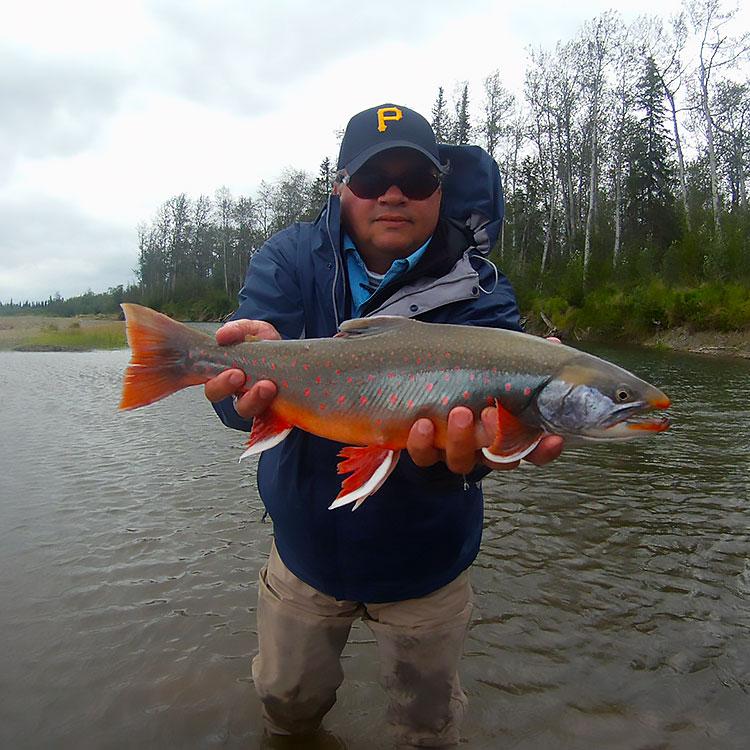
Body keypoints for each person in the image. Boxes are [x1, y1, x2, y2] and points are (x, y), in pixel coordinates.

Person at [204, 103, 563, 748]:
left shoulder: (482, 291)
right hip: (307, 548)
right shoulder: (289, 260)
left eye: (415, 180)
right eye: (373, 180)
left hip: (427, 557)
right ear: (342, 186)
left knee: (426, 732)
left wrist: (485, 454)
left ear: (441, 191)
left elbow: (488, 440)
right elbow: (236, 403)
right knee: (286, 708)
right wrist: (238, 390)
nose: (393, 195)